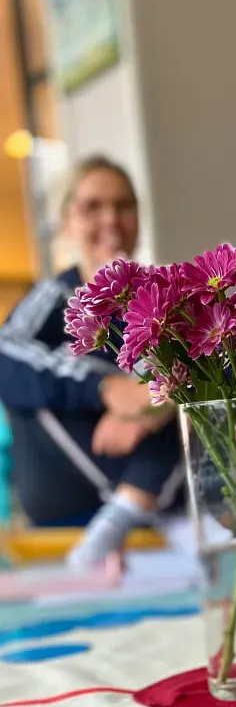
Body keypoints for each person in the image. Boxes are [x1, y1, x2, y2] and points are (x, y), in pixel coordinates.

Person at [0, 155, 183, 570]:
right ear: (66, 224)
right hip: (65, 491)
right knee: (31, 370)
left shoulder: (165, 297)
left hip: (156, 478)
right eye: (92, 207)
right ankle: (127, 515)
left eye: (123, 206)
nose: (111, 219)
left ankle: (129, 510)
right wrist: (105, 389)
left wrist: (151, 407)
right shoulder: (54, 297)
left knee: (201, 377)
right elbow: (5, 356)